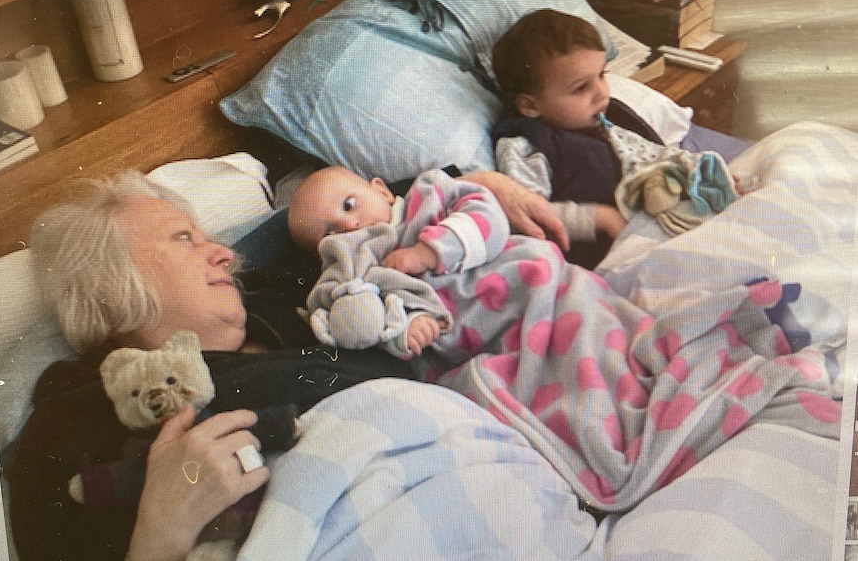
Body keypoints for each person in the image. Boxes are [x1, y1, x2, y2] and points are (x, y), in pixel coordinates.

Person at [286, 164, 833, 514]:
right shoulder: (360, 271)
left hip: (536, 286)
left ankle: (711, 371)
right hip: (490, 337)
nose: (347, 227)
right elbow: (376, 324)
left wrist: (431, 253)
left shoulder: (432, 195)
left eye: (350, 205)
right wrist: (405, 327)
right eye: (328, 233)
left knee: (606, 335)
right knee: (576, 393)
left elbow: (487, 218)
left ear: (380, 188)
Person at [6, 171, 419, 561]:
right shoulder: (78, 406)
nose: (224, 254)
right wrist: (160, 535)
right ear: (107, 284)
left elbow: (382, 210)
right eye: (184, 238)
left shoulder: (281, 294)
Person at [491, 9, 736, 268]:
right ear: (530, 105)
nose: (602, 93)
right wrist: (599, 218)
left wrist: (701, 171)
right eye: (580, 88)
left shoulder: (604, 118)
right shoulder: (525, 146)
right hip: (604, 258)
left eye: (602, 75)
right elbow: (529, 213)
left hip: (654, 225)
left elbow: (648, 153)